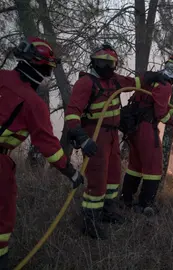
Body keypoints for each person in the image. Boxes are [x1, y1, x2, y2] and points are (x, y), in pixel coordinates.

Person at [0, 37, 84, 270]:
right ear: (35, 65)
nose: (47, 75)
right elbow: (48, 146)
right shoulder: (33, 103)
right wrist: (71, 172)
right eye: (46, 69)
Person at [64, 43, 164, 239]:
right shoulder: (86, 83)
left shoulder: (114, 80)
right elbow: (72, 112)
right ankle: (90, 221)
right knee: (97, 177)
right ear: (94, 61)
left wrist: (150, 76)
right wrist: (82, 137)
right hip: (95, 133)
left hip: (111, 134)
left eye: (111, 63)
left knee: (113, 175)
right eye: (102, 62)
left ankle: (108, 211)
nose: (106, 67)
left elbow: (132, 82)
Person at [120, 54, 173, 216]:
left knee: (136, 166)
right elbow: (161, 114)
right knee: (154, 167)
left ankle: (126, 200)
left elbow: (157, 104)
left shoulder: (153, 78)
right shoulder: (166, 86)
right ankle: (145, 205)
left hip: (133, 127)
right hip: (146, 129)